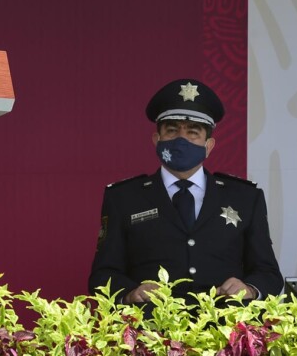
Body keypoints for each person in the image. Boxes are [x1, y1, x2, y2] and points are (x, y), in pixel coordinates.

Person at [88, 78, 283, 304]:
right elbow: (102, 276)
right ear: (156, 139)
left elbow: (269, 274)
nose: (181, 140)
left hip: (224, 329)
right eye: (171, 131)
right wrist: (131, 292)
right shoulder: (124, 198)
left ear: (209, 145)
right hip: (150, 329)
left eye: (193, 133)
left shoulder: (245, 197)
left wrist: (249, 289)